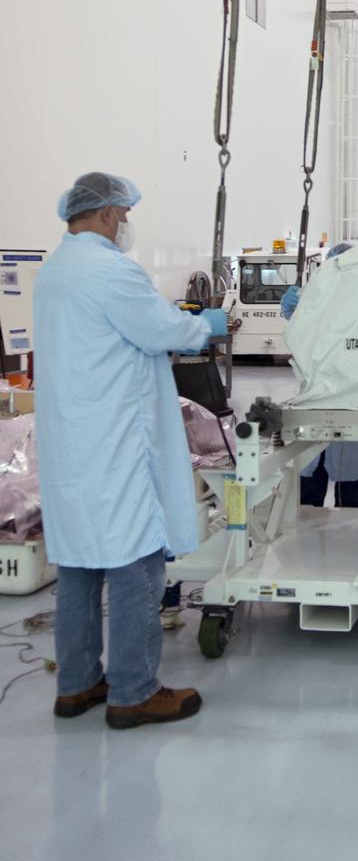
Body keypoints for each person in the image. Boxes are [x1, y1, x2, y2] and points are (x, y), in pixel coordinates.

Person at [33, 172, 228, 727]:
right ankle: (134, 692)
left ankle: (76, 685)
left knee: (77, 566)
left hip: (73, 446)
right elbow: (160, 330)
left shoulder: (55, 272)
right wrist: (204, 325)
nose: (125, 223)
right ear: (106, 214)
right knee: (135, 564)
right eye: (123, 212)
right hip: (116, 444)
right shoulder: (110, 271)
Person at [281, 242, 358, 507]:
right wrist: (295, 311)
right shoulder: (320, 295)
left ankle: (347, 543)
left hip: (354, 402)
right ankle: (309, 541)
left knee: (348, 496)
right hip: (316, 401)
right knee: (309, 490)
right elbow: (303, 335)